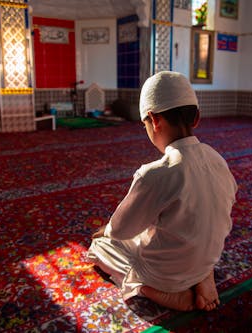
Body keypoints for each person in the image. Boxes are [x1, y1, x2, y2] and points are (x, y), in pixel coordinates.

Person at [87, 71, 237, 311]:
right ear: (196, 118)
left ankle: (148, 288)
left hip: (165, 275)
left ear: (153, 120)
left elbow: (120, 230)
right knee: (159, 228)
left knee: (100, 248)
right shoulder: (217, 159)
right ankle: (203, 274)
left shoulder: (156, 172)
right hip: (207, 258)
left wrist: (107, 230)